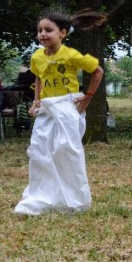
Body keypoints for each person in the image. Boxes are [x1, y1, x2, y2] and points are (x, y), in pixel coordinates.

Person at [14, 11, 105, 216]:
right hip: (47, 108)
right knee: (40, 149)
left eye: (48, 30)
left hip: (66, 106)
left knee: (65, 149)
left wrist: (88, 97)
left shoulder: (71, 55)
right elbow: (38, 77)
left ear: (62, 33)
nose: (42, 34)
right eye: (40, 30)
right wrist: (36, 101)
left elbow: (97, 71)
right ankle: (43, 195)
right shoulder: (37, 56)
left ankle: (73, 199)